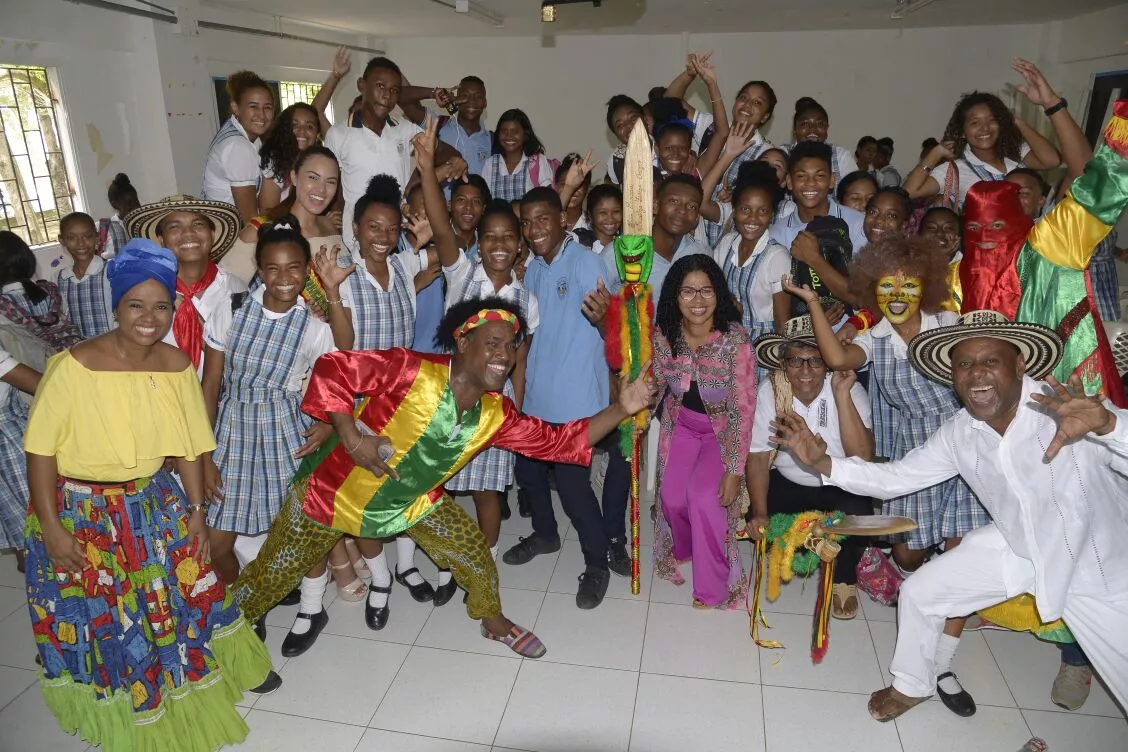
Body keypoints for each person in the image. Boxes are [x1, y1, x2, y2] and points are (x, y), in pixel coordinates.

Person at [231, 297, 653, 658]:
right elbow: (333, 368)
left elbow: (559, 442)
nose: (504, 356)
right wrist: (350, 435)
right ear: (463, 341)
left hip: (411, 501)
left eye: (510, 346)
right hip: (328, 496)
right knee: (270, 576)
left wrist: (622, 407)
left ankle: (492, 620)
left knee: (473, 554)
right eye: (492, 344)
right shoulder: (410, 368)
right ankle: (221, 647)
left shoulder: (496, 412)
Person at [770, 310, 1128, 722]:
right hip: (1018, 546)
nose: (976, 375)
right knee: (921, 592)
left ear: (1019, 363)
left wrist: (1109, 426)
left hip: (1100, 570)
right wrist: (825, 464)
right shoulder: (961, 430)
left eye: (990, 361)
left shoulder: (1066, 409)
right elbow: (897, 478)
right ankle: (912, 684)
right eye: (963, 364)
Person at [23, 239, 281, 752]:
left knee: (187, 590)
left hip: (152, 502)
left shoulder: (176, 364)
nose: (149, 317)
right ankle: (134, 702)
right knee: (111, 614)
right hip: (84, 511)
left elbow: (188, 445)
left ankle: (214, 673)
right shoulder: (73, 366)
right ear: (116, 305)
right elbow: (41, 453)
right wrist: (52, 528)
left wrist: (197, 510)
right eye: (135, 305)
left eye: (160, 305)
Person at [784, 234, 990, 717]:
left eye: (909, 284)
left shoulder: (949, 325)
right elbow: (836, 358)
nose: (897, 295)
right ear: (874, 290)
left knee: (962, 559)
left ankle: (940, 665)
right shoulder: (874, 338)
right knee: (909, 553)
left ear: (927, 286)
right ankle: (906, 577)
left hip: (962, 449)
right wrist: (814, 302)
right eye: (887, 286)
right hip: (911, 460)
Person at [201, 219, 341, 656]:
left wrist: (327, 423)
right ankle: (250, 600)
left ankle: (313, 608)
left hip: (285, 430)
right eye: (273, 268)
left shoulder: (314, 326)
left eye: (294, 268)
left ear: (306, 271)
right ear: (260, 268)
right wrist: (204, 450)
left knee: (301, 527)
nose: (284, 278)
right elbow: (211, 382)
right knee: (217, 540)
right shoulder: (232, 307)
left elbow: (337, 381)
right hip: (232, 429)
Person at [417, 119, 540, 598]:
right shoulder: (460, 271)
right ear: (479, 240)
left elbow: (521, 363)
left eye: (508, 237)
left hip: (494, 407)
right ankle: (450, 561)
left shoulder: (526, 299)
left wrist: (519, 415)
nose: (498, 245)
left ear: (519, 244)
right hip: (450, 399)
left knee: (488, 491)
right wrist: (427, 167)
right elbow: (441, 221)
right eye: (489, 236)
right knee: (443, 489)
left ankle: (481, 564)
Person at [959, 97, 1128, 409]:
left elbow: (1103, 182)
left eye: (996, 225)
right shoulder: (959, 272)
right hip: (995, 400)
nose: (984, 239)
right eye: (973, 229)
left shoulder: (1052, 241)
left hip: (1070, 387)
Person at [502, 187, 618, 609]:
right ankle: (547, 535)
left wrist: (608, 321)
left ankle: (597, 563)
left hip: (576, 400)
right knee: (530, 476)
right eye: (527, 222)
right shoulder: (533, 269)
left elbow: (614, 331)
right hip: (537, 397)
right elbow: (530, 335)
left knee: (572, 489)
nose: (533, 230)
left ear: (562, 220)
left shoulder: (587, 262)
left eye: (542, 220)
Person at [747, 315, 875, 619]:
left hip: (840, 483)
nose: (805, 371)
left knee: (859, 516)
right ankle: (816, 538)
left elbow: (864, 460)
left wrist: (841, 397)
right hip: (789, 482)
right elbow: (757, 457)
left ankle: (845, 577)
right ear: (784, 365)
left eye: (815, 361)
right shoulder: (771, 391)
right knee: (762, 525)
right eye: (795, 360)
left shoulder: (848, 388)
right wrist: (761, 512)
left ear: (828, 364)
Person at [652, 254, 755, 609]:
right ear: (674, 297)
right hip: (680, 425)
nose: (698, 300)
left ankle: (713, 588)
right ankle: (689, 547)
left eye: (706, 291)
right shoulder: (665, 334)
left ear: (719, 293)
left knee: (704, 499)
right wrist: (633, 410)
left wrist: (734, 470)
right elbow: (653, 383)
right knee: (671, 499)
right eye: (688, 292)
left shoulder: (736, 341)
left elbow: (744, 409)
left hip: (721, 435)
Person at [324, 56, 467, 250]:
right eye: (380, 86)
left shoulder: (404, 129)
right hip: (356, 239)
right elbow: (334, 188)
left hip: (394, 235)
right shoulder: (338, 134)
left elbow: (439, 149)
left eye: (394, 91)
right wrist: (336, 231)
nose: (387, 96)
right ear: (362, 85)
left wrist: (455, 160)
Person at [0, 231, 80, 571]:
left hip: (19, 414)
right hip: (15, 426)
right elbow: (38, 382)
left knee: (25, 518)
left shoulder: (5, 310)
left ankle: (42, 575)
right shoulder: (47, 291)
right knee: (35, 515)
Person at [903, 60, 1062, 209]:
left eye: (992, 120)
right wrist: (936, 153)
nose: (985, 128)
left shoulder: (1016, 151)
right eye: (975, 123)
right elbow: (908, 193)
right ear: (963, 132)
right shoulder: (954, 170)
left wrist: (1017, 122)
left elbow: (1052, 161)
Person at [124, 195, 247, 377]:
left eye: (198, 224)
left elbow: (250, 357)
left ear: (212, 235)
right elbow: (129, 355)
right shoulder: (146, 294)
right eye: (174, 226)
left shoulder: (236, 290)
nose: (188, 233)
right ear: (161, 239)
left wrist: (210, 336)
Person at [708, 159, 791, 337]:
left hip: (763, 346)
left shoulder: (777, 257)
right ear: (734, 210)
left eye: (762, 211)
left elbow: (782, 325)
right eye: (745, 209)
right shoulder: (725, 245)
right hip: (724, 341)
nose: (753, 219)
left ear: (771, 215)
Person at [702, 79, 777, 245]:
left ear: (765, 116)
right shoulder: (712, 129)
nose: (747, 105)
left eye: (757, 102)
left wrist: (734, 194)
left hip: (729, 240)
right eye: (743, 98)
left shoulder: (767, 154)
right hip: (695, 233)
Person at [202, 70, 276, 223]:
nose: (261, 115)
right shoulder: (238, 146)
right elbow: (250, 220)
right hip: (229, 235)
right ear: (235, 107)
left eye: (267, 107)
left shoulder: (243, 136)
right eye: (253, 107)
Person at [400, 75, 493, 177]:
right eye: (465, 95)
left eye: (478, 96)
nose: (471, 101)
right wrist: (435, 93)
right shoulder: (437, 124)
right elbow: (400, 97)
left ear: (485, 103)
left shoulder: (493, 141)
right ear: (455, 98)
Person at [56, 212, 115, 339]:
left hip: (112, 349)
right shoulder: (58, 278)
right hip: (78, 352)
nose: (81, 243)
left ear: (97, 237)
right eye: (71, 238)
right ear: (62, 240)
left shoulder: (111, 271)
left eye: (87, 236)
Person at [258, 102, 322, 212]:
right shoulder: (274, 162)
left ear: (317, 135)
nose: (302, 130)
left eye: (310, 126)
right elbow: (267, 214)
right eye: (294, 125)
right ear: (284, 129)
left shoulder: (318, 163)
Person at [480, 109, 555, 202]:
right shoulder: (490, 164)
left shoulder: (538, 162)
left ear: (525, 135)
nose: (509, 136)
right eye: (504, 131)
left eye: (515, 131)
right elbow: (484, 200)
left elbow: (547, 199)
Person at [783, 98, 858, 185]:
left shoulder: (841, 157)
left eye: (820, 124)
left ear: (826, 131)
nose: (812, 128)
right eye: (805, 123)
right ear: (794, 132)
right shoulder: (782, 155)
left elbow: (855, 191)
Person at [603, 94, 646, 186]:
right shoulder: (616, 162)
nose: (629, 126)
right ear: (616, 135)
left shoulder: (666, 146)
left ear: (644, 118)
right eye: (620, 125)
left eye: (633, 118)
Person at [99, 173, 140, 259]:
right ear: (115, 204)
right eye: (129, 202)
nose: (135, 206)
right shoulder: (104, 227)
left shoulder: (143, 225)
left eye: (136, 201)